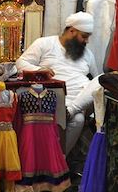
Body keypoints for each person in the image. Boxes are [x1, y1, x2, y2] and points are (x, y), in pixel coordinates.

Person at [15, 12, 99, 152]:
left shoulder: (88, 54)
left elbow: (97, 78)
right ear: (72, 31)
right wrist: (39, 70)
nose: (87, 41)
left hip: (77, 101)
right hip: (52, 96)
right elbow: (21, 63)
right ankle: (60, 160)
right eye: (84, 36)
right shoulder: (45, 43)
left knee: (101, 80)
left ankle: (71, 112)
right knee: (77, 119)